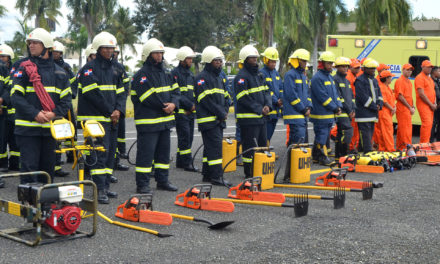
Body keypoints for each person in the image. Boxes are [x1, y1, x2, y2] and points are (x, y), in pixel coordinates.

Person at [11, 28, 72, 184]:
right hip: (28, 131)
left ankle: (45, 205)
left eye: (35, 42)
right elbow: (16, 98)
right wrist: (35, 114)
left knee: (47, 171)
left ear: (46, 46)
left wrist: (54, 114)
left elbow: (66, 102)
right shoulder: (23, 69)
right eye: (30, 43)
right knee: (29, 170)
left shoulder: (60, 73)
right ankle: (30, 206)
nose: (31, 45)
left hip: (50, 131)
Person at [77, 31, 126, 203]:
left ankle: (105, 186)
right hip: (94, 119)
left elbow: (122, 92)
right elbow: (93, 95)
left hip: (112, 118)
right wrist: (111, 111)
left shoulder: (118, 69)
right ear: (98, 48)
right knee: (98, 155)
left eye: (111, 48)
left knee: (111, 153)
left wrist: (118, 110)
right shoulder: (88, 69)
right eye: (105, 48)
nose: (109, 51)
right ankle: (99, 190)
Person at [131, 38, 180, 194]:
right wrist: (165, 106)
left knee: (163, 155)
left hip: (165, 123)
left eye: (161, 53)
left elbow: (176, 92)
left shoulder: (166, 73)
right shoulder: (141, 75)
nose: (159, 56)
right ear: (148, 55)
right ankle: (143, 184)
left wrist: (174, 104)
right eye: (156, 53)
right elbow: (148, 97)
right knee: (146, 156)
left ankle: (162, 180)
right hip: (149, 124)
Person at [194, 46, 231, 186]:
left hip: (218, 120)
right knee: (215, 150)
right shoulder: (201, 79)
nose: (220, 63)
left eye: (220, 61)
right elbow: (206, 100)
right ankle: (217, 177)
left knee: (210, 148)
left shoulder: (218, 78)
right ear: (209, 61)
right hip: (209, 121)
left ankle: (207, 174)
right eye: (217, 61)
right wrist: (221, 113)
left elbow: (227, 97)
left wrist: (226, 109)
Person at [234, 45, 272, 178]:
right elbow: (243, 97)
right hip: (249, 120)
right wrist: (259, 108)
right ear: (245, 59)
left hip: (261, 118)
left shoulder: (260, 75)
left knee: (262, 146)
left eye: (256, 57)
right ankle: (249, 173)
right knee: (250, 148)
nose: (255, 60)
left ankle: (260, 171)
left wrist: (268, 105)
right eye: (252, 58)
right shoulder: (241, 77)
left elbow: (267, 92)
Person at [310, 51, 342, 165]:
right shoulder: (317, 78)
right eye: (328, 63)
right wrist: (335, 107)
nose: (331, 66)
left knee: (322, 135)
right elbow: (323, 97)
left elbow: (335, 94)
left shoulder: (329, 77)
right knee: (322, 135)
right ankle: (322, 157)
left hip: (328, 113)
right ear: (322, 64)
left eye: (331, 63)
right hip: (320, 113)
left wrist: (339, 105)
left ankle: (315, 156)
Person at [52, 41, 76, 176]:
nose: (55, 54)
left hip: (65, 105)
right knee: (55, 135)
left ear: (61, 54)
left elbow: (73, 83)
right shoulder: (49, 67)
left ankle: (71, 156)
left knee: (69, 130)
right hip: (53, 106)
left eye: (58, 52)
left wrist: (71, 94)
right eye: (54, 51)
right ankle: (55, 166)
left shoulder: (66, 67)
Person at [172, 46, 198, 172]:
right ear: (182, 59)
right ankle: (187, 163)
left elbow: (194, 93)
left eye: (191, 59)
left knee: (189, 138)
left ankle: (180, 161)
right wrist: (189, 105)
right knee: (185, 137)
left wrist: (194, 107)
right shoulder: (174, 74)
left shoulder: (190, 74)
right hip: (181, 112)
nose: (191, 61)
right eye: (188, 58)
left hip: (191, 113)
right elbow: (177, 94)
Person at [283, 48, 312, 145]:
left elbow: (307, 94)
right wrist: (303, 109)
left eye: (306, 61)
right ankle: (291, 160)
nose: (305, 63)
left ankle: (292, 160)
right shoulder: (290, 75)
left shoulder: (302, 76)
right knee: (298, 142)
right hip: (294, 114)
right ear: (297, 61)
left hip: (302, 114)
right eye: (304, 61)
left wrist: (309, 106)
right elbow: (291, 95)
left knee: (301, 142)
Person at [354, 58, 383, 153]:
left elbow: (379, 94)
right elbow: (362, 97)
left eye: (374, 68)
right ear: (364, 69)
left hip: (372, 113)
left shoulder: (374, 80)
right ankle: (367, 152)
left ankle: (364, 152)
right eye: (371, 68)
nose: (373, 70)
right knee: (365, 135)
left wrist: (379, 104)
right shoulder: (360, 80)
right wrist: (375, 106)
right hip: (364, 114)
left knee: (369, 135)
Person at [333, 57, 355, 158]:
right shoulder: (335, 79)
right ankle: (343, 154)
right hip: (342, 111)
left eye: (346, 66)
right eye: (342, 66)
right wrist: (349, 110)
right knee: (346, 132)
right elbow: (339, 97)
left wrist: (353, 109)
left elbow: (351, 97)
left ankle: (339, 156)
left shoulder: (346, 81)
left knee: (341, 134)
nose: (345, 68)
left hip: (349, 111)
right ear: (337, 67)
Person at [112, 46, 130, 171]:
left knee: (119, 136)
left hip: (119, 108)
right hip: (108, 109)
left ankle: (116, 160)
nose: (114, 54)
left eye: (116, 52)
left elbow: (125, 84)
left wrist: (120, 108)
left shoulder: (119, 67)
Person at [260, 47, 283, 142]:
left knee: (271, 131)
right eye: (271, 61)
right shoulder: (262, 73)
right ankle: (265, 150)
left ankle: (266, 148)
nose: (273, 64)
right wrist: (275, 100)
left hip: (276, 109)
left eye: (275, 62)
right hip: (268, 108)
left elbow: (281, 88)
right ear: (266, 60)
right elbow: (266, 90)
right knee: (266, 132)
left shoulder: (276, 74)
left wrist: (281, 99)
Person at [394, 63, 415, 150]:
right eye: (407, 69)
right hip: (402, 108)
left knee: (403, 129)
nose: (409, 71)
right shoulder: (400, 81)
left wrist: (412, 106)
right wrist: (410, 107)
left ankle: (400, 147)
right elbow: (400, 96)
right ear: (403, 70)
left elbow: (409, 96)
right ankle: (406, 147)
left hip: (407, 108)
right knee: (405, 129)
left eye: (410, 70)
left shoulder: (409, 82)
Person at [415, 60, 436, 144]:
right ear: (422, 67)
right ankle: (423, 144)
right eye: (428, 67)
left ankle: (426, 143)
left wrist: (434, 103)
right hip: (424, 105)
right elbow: (421, 94)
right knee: (426, 124)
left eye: (431, 67)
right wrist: (431, 104)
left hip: (430, 105)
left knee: (429, 125)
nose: (430, 69)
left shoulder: (429, 78)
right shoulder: (420, 78)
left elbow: (432, 92)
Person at [377, 70, 396, 152]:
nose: (391, 78)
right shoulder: (382, 88)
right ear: (386, 78)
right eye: (390, 77)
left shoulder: (387, 87)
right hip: (384, 112)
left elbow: (391, 100)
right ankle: (390, 149)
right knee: (388, 131)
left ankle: (383, 148)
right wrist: (392, 108)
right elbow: (384, 101)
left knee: (385, 131)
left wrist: (393, 107)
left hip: (387, 112)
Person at [347, 58, 361, 152]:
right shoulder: (349, 77)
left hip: (354, 105)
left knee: (354, 128)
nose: (358, 69)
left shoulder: (353, 76)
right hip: (351, 106)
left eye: (358, 67)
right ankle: (350, 147)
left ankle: (352, 146)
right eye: (356, 68)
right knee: (352, 127)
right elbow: (350, 94)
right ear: (350, 67)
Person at [430, 66, 440, 142]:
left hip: (438, 106)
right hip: (434, 106)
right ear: (434, 72)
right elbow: (434, 95)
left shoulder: (437, 81)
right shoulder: (431, 81)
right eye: (439, 71)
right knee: (433, 125)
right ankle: (431, 142)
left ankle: (437, 142)